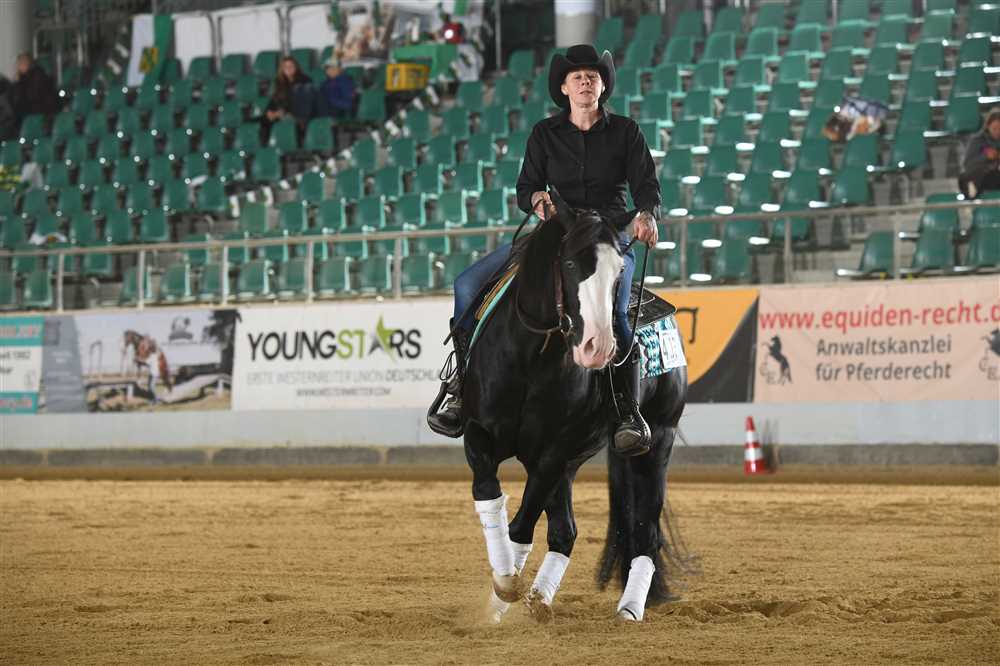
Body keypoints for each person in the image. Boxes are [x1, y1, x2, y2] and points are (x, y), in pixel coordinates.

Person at [427, 44, 661, 456]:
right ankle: (461, 388)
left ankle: (626, 410)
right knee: (466, 286)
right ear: (565, 88)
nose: (585, 82)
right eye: (577, 77)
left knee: (617, 316)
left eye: (592, 76)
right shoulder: (544, 134)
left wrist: (646, 214)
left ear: (603, 86)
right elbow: (526, 186)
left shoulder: (627, 132)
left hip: (606, 238)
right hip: (555, 235)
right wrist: (536, 198)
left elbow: (646, 185)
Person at [262, 56, 314, 142]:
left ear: (296, 67)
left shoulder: (305, 80)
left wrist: (282, 112)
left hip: (298, 114)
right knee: (260, 121)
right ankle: (264, 147)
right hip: (282, 113)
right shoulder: (279, 82)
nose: (288, 69)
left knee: (288, 121)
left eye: (291, 66)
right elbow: (274, 100)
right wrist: (269, 111)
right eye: (285, 67)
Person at [11, 53, 59, 131]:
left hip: (40, 111)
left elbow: (32, 96)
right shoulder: (24, 77)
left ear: (27, 64)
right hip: (32, 111)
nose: (18, 67)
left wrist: (18, 83)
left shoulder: (37, 76)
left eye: (20, 64)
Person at [958, 109, 1000, 200]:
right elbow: (968, 163)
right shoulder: (977, 140)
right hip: (981, 175)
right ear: (987, 126)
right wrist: (986, 157)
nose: (997, 132)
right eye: (995, 128)